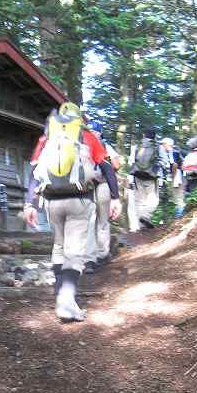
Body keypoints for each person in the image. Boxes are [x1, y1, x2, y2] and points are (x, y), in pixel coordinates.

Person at [23, 103, 121, 322]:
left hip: (51, 202)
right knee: (74, 252)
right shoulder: (86, 136)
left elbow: (34, 173)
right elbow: (107, 168)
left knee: (59, 246)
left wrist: (29, 204)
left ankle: (61, 294)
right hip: (79, 200)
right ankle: (66, 302)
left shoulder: (47, 137)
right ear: (79, 119)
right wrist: (114, 197)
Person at [83, 119, 121, 273]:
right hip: (104, 184)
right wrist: (115, 196)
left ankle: (89, 260)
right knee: (103, 221)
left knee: (89, 221)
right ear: (100, 132)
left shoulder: (82, 144)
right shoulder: (105, 145)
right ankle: (102, 254)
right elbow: (116, 166)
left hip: (86, 185)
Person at [128, 128, 169, 229]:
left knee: (139, 200)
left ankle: (141, 226)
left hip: (137, 175)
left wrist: (130, 178)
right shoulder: (158, 147)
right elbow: (165, 161)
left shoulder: (137, 146)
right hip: (151, 176)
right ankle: (146, 216)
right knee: (153, 200)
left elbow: (131, 162)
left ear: (144, 136)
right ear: (154, 137)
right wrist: (156, 168)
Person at [161, 137, 185, 219]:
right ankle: (178, 214)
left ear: (167, 144)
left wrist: (172, 176)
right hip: (176, 176)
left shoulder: (173, 153)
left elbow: (175, 165)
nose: (162, 146)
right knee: (176, 196)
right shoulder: (174, 153)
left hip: (176, 177)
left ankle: (179, 215)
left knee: (178, 196)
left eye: (163, 144)